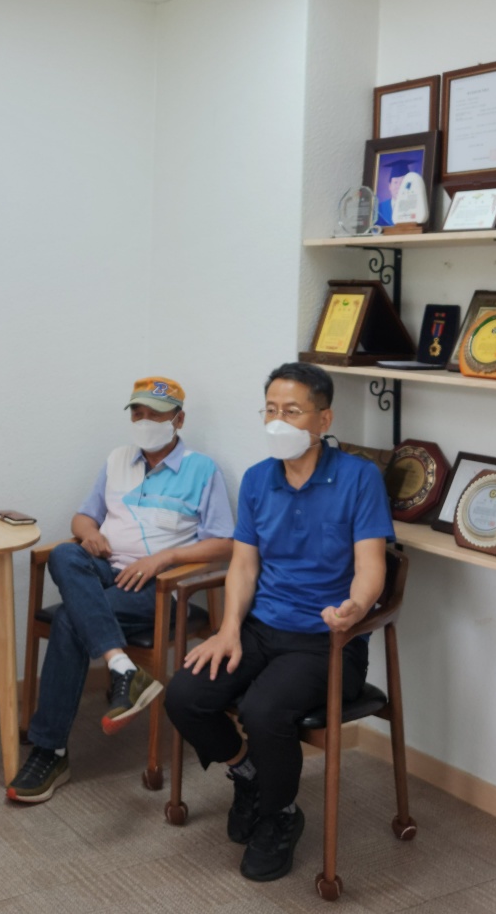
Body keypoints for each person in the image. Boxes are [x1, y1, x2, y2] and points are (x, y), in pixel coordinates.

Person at [164, 362, 393, 883]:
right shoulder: (258, 479)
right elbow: (244, 565)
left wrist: (355, 607)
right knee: (185, 695)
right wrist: (228, 629)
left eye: (292, 411)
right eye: (270, 410)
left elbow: (371, 568)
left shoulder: (358, 478)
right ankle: (248, 773)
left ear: (323, 419)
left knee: (264, 710)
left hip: (328, 641)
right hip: (261, 629)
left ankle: (280, 814)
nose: (278, 422)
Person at [6, 376, 233, 804]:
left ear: (179, 420)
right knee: (63, 555)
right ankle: (123, 667)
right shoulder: (117, 459)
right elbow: (82, 518)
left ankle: (49, 751)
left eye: (156, 414)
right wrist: (89, 533)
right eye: (137, 413)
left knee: (70, 619)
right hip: (106, 570)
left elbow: (225, 543)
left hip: (160, 589)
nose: (144, 421)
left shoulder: (202, 470)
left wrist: (163, 559)